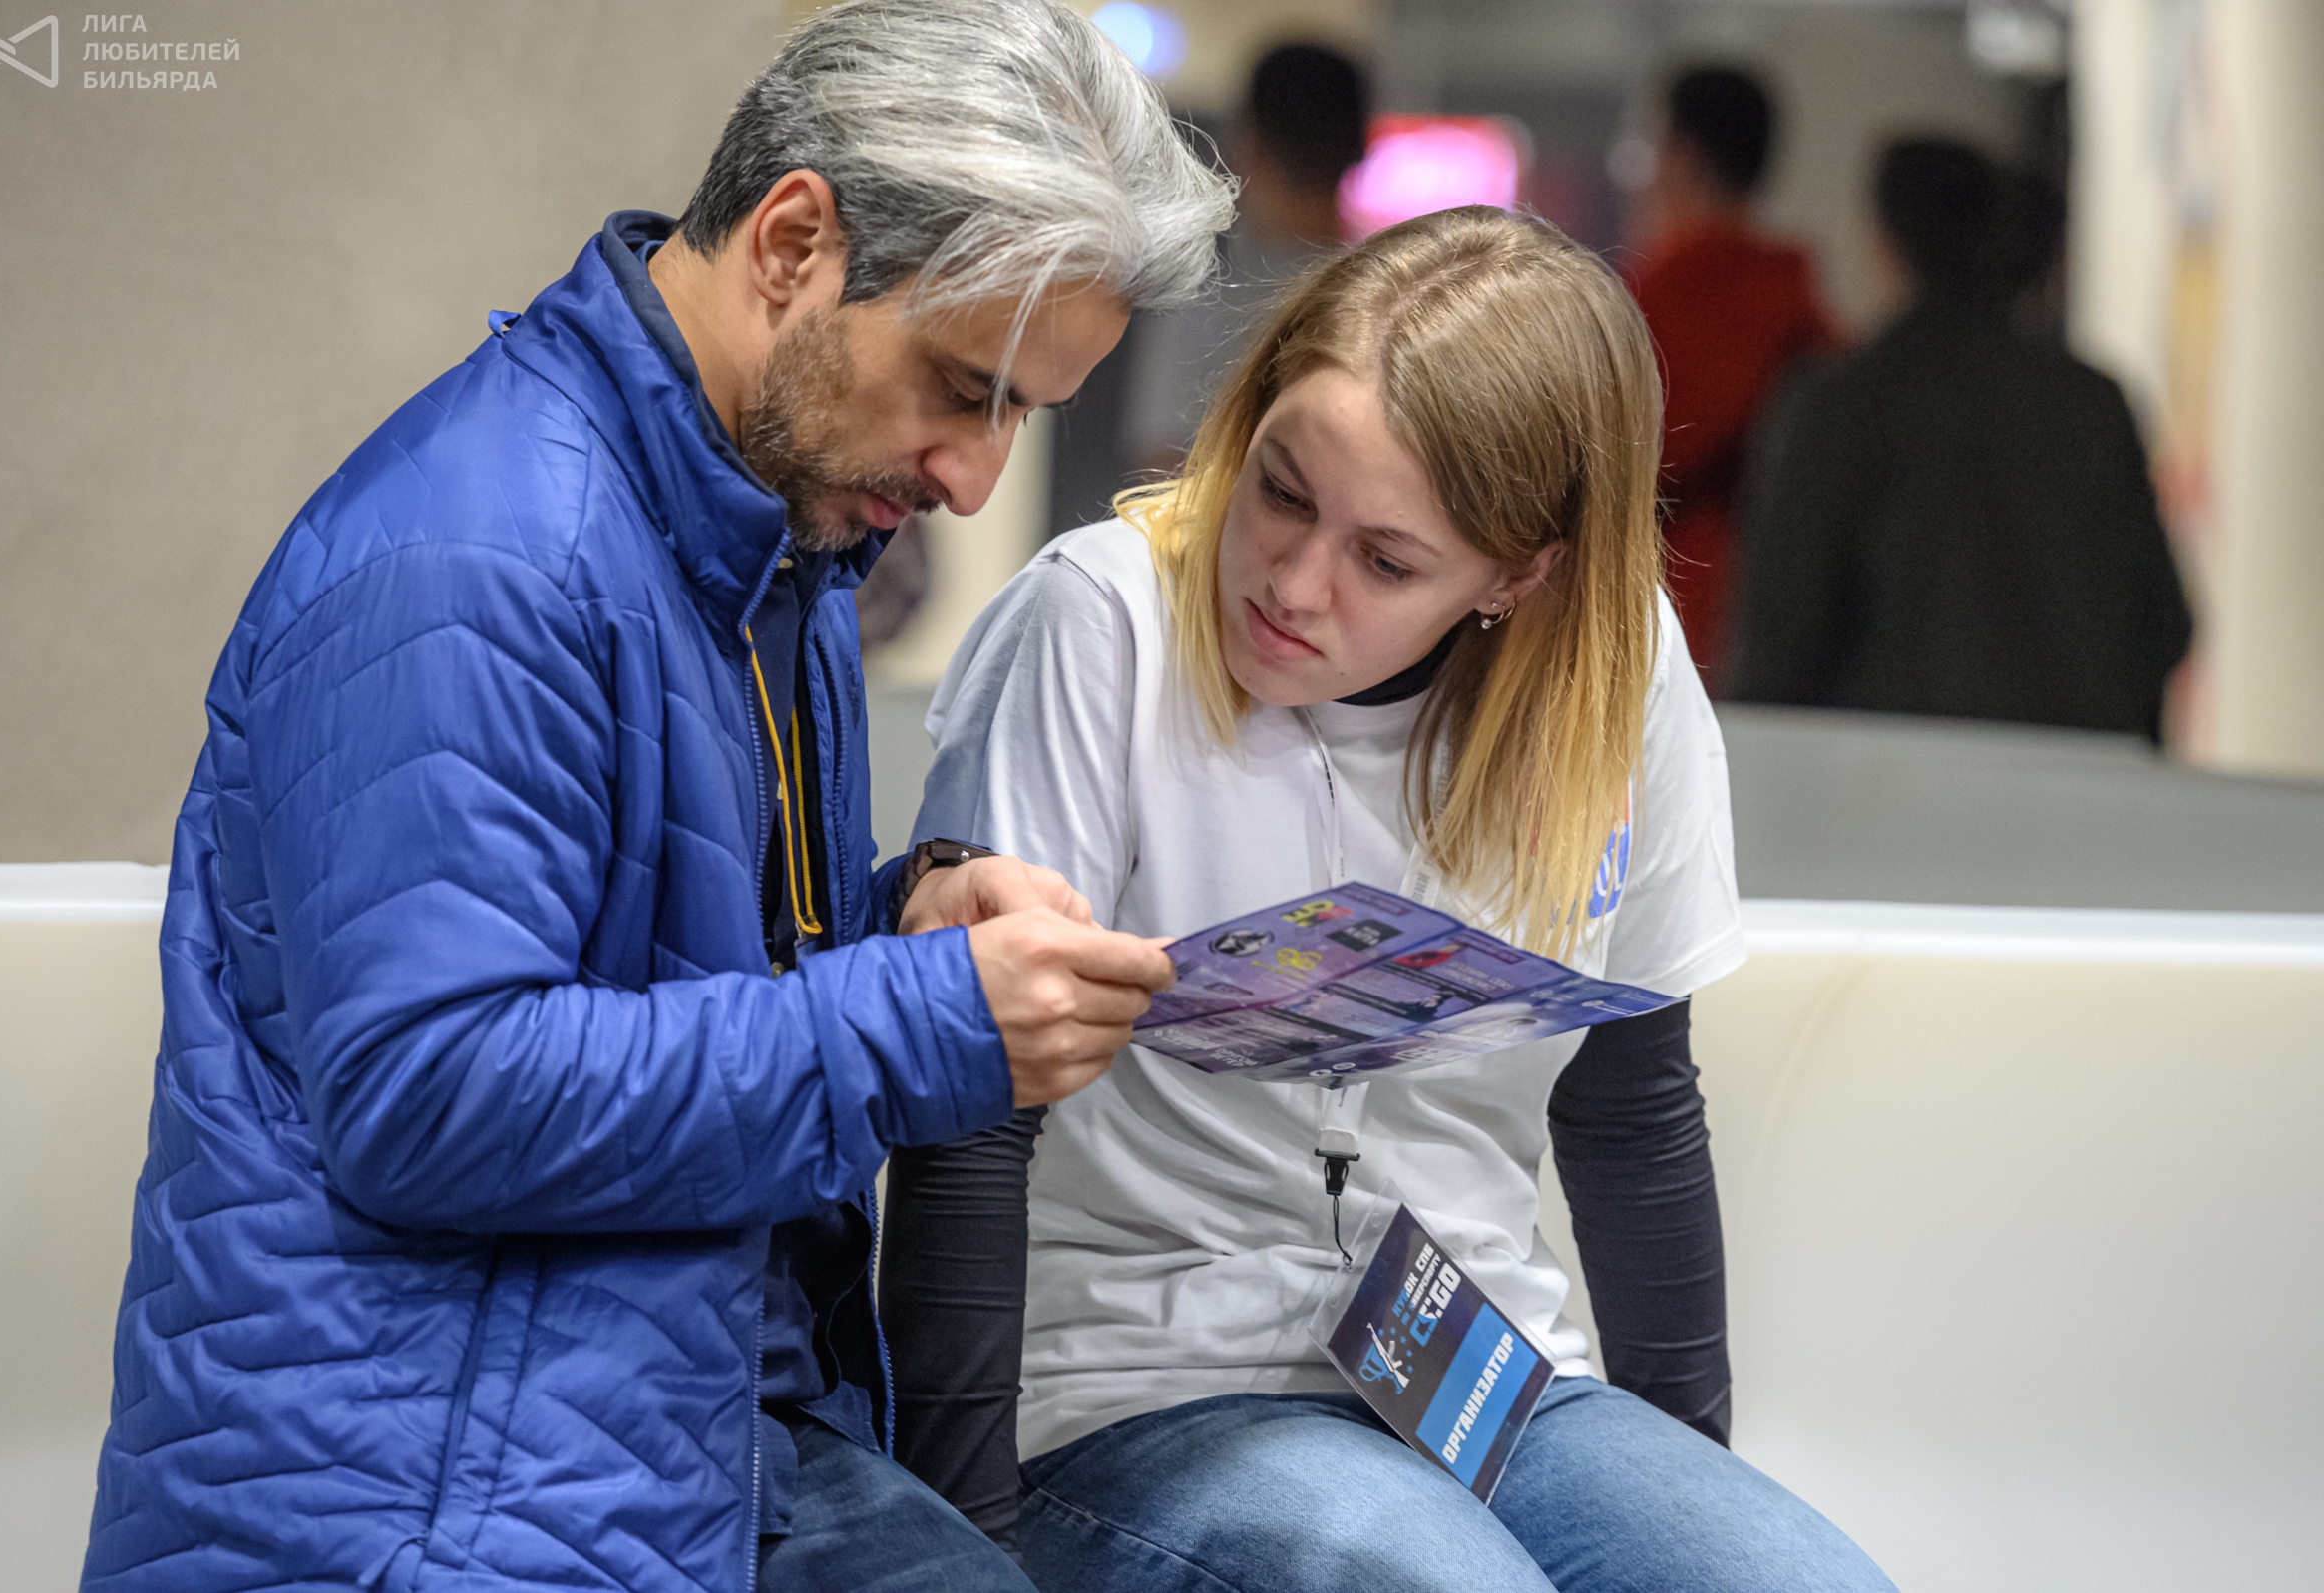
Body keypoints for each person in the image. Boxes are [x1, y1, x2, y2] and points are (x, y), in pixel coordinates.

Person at [78, 4, 1232, 1590]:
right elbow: (428, 1095)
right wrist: (925, 1020)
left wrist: (901, 918)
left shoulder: (774, 538)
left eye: (1021, 412)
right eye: (963, 387)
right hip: (429, 1501)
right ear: (793, 243)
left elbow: (660, 966)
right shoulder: (479, 554)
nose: (974, 476)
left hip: (676, 1421)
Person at [881, 208, 1896, 1591]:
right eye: (1282, 491)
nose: (1293, 584)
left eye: (1387, 560)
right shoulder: (1099, 621)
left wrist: (1686, 1490)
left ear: (1519, 575)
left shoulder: (1614, 672)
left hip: (1479, 1368)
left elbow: (1631, 1109)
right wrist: (959, 1550)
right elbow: (968, 1116)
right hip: (1133, 1381)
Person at [1731, 138, 2192, 740]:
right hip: (2077, 780)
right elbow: (2164, 625)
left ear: (1885, 245)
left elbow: (1781, 645)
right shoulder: (2091, 406)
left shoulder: (1844, 405)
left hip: (1887, 781)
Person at [1629, 65, 1837, 682]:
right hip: (1784, 623)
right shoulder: (1804, 310)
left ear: (1683, 157)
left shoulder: (1649, 308)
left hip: (1661, 610)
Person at [1122, 42, 1371, 475]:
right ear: (1362, 147)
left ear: (1247, 146)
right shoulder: (1392, 294)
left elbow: (1163, 475)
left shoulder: (1203, 303)